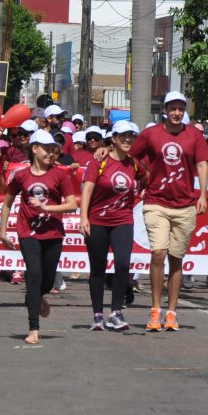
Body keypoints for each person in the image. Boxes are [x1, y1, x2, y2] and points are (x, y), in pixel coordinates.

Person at [129, 91, 208, 332]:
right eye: (172, 108)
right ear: (165, 110)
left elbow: (202, 164)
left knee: (176, 258)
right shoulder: (151, 134)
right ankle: (155, 309)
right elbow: (131, 156)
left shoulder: (194, 135)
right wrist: (143, 175)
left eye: (180, 109)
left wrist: (203, 194)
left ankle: (172, 312)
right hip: (156, 202)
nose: (176, 113)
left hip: (185, 205)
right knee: (158, 253)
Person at [0, 130, 78, 344]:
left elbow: (72, 204)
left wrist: (46, 207)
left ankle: (37, 296)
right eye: (46, 149)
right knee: (33, 274)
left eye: (53, 149)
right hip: (28, 233)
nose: (51, 153)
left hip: (53, 233)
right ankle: (33, 327)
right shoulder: (21, 175)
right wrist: (3, 232)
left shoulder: (60, 174)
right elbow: (6, 203)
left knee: (47, 280)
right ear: (34, 149)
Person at [80, 120, 143, 332]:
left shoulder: (134, 164)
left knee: (123, 265)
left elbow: (147, 179)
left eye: (132, 136)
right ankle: (97, 315)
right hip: (97, 220)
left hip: (123, 220)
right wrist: (83, 217)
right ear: (113, 139)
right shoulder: (99, 161)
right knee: (97, 269)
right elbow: (87, 190)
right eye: (123, 135)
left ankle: (116, 313)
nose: (128, 139)